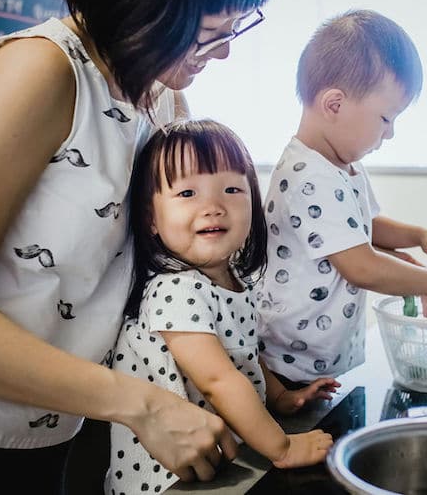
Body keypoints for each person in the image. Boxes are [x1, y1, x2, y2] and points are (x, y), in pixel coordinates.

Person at [0, 0, 280, 493]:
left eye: (236, 28)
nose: (223, 51)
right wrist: (144, 407)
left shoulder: (161, 98)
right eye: (212, 29)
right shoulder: (41, 72)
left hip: (62, 426)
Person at [107, 119, 336, 494]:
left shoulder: (231, 279)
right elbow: (218, 381)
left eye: (231, 189)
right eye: (187, 194)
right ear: (151, 218)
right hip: (164, 481)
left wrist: (280, 397)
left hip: (218, 464)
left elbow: (240, 355)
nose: (213, 207)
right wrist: (282, 447)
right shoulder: (174, 290)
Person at [257, 10, 427, 386]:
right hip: (290, 363)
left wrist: (420, 236)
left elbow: (364, 225)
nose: (389, 134)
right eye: (386, 118)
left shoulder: (342, 167)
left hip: (319, 357)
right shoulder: (310, 176)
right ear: (334, 105)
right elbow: (361, 265)